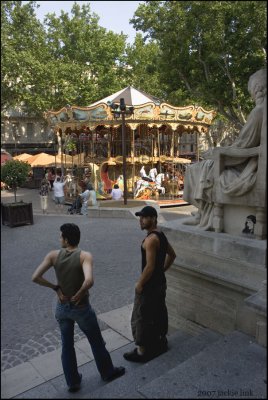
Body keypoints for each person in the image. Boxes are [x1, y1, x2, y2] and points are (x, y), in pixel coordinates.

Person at [32, 223, 125, 392]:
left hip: (62, 308)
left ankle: (73, 382)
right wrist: (81, 293)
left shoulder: (53, 255)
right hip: (81, 308)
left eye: (61, 236)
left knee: (67, 345)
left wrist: (56, 288)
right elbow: (89, 281)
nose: (59, 238)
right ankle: (107, 372)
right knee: (96, 342)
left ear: (66, 240)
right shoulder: (85, 256)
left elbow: (35, 277)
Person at [183, 68, 266, 230]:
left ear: (257, 88)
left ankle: (202, 213)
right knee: (205, 166)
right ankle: (203, 212)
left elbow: (243, 146)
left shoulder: (258, 112)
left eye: (252, 90)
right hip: (250, 162)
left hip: (245, 164)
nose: (252, 94)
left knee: (194, 169)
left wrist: (217, 152)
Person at [123, 206, 176, 363]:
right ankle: (160, 341)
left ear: (153, 218)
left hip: (150, 286)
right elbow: (172, 255)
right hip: (160, 283)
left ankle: (142, 351)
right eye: (140, 217)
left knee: (141, 317)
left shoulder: (151, 239)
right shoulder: (161, 235)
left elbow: (150, 266)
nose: (141, 220)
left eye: (144, 217)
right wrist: (162, 271)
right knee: (159, 312)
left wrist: (140, 283)